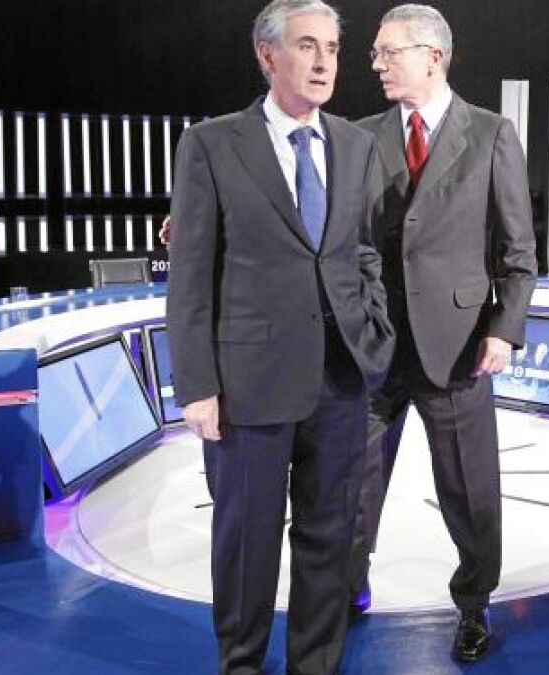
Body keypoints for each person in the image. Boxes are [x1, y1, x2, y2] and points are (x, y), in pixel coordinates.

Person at [165, 1, 394, 672]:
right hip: (248, 385)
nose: (323, 62)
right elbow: (190, 274)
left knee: (331, 537)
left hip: (342, 377)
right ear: (268, 55)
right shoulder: (211, 144)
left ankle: (314, 662)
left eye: (332, 48)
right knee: (247, 541)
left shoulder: (355, 144)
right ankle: (240, 661)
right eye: (306, 45)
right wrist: (197, 385)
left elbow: (360, 249)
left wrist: (373, 329)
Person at [349, 3, 537, 662]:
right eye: (375, 52)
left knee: (470, 489)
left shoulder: (490, 134)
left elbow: (518, 251)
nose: (375, 63)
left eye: (388, 51)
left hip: (458, 347)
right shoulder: (359, 137)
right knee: (351, 485)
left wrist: (504, 330)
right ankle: (345, 589)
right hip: (374, 348)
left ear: (433, 56)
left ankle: (474, 604)